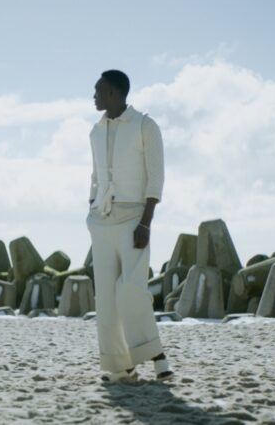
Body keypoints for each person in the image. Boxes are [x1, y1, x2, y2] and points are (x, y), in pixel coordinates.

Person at [87, 69, 173, 383]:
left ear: (114, 93)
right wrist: (91, 210)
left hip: (134, 218)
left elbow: (156, 177)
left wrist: (145, 223)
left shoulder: (145, 126)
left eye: (98, 90)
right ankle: (120, 366)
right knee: (106, 299)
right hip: (101, 221)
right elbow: (95, 177)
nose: (94, 96)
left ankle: (156, 355)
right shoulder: (95, 132)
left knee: (131, 291)